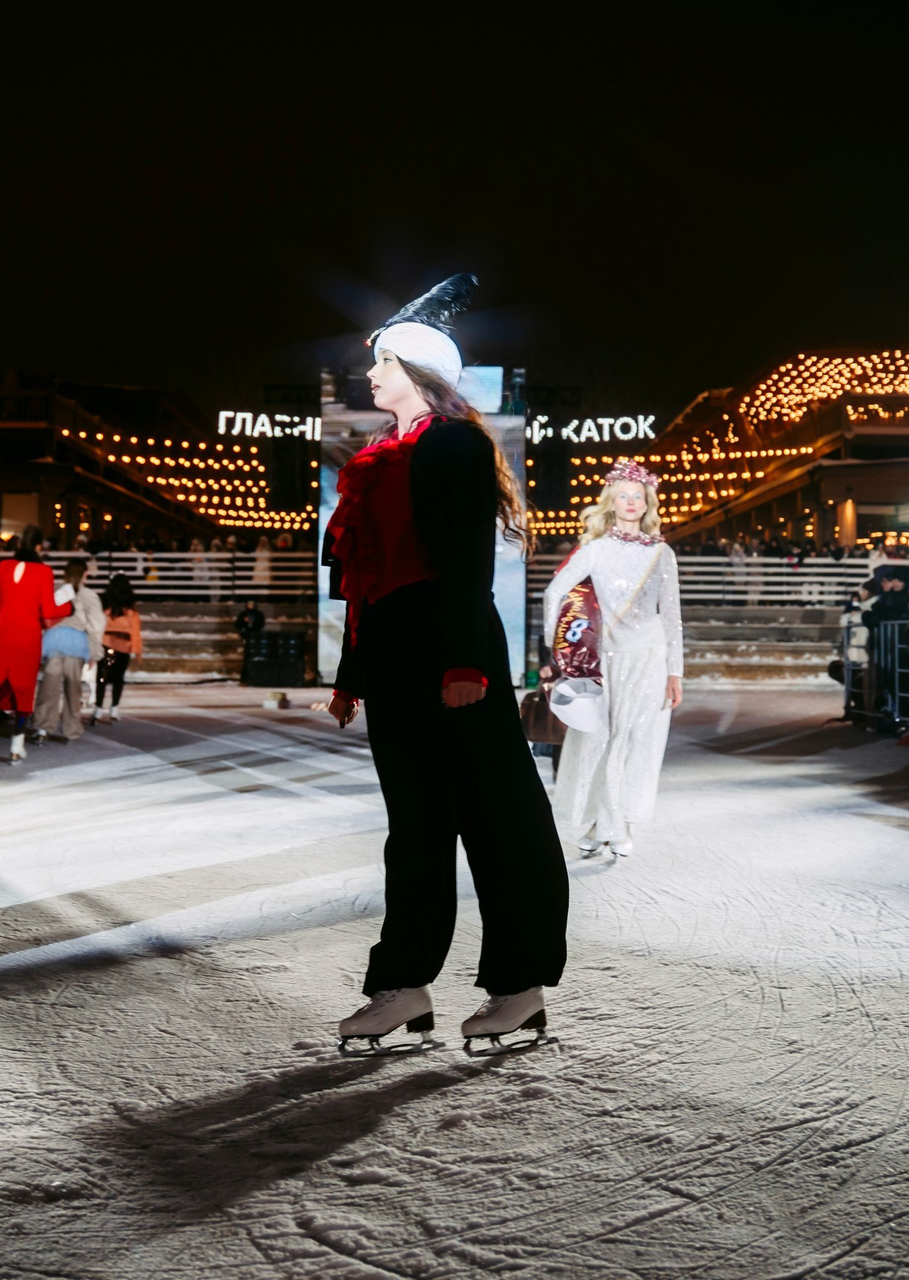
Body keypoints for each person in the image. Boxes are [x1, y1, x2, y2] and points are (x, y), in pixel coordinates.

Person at [322, 274, 569, 1052]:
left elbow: (465, 560)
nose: (370, 374)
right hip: (394, 652)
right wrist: (353, 673)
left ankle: (519, 986)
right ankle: (403, 986)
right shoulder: (378, 456)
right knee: (415, 829)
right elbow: (365, 577)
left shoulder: (454, 443)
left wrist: (465, 662)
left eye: (383, 362)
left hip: (452, 646)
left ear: (421, 370)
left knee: (496, 818)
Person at [540, 460, 684, 858]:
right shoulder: (596, 549)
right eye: (624, 495)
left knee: (636, 739)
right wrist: (561, 650)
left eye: (638, 496)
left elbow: (672, 615)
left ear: (647, 503)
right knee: (598, 738)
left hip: (650, 657)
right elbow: (554, 593)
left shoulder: (662, 553)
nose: (631, 502)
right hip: (602, 660)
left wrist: (675, 671)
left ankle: (618, 824)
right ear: (611, 502)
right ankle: (597, 822)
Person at [0, 525, 63, 764]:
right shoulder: (44, 571)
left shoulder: (3, 567)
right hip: (27, 637)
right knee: (23, 690)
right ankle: (16, 746)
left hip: (2, 633)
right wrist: (68, 607)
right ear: (38, 546)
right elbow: (49, 611)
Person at [33, 557, 103, 744]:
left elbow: (45, 616)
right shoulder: (89, 596)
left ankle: (42, 727)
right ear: (84, 574)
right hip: (76, 643)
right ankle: (70, 730)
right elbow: (96, 626)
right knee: (73, 689)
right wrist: (95, 652)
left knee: (49, 686)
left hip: (54, 640)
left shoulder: (58, 592)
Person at [96, 571, 142, 723]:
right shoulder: (130, 610)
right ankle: (114, 707)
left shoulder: (106, 607)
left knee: (102, 677)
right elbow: (135, 630)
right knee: (118, 678)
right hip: (123, 647)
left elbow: (99, 626)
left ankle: (98, 708)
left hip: (107, 645)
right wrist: (137, 650)